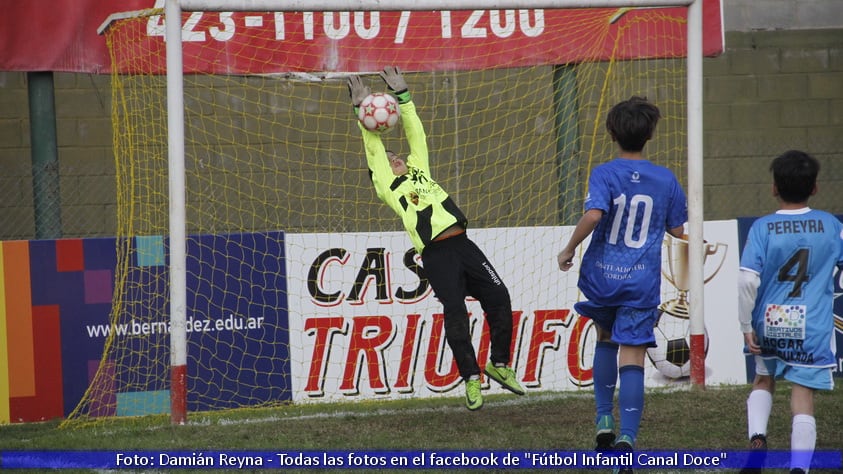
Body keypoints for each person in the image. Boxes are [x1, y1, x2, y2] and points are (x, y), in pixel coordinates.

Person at [347, 66, 525, 411]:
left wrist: (404, 96)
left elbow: (417, 136)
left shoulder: (419, 170)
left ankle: (499, 365)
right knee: (456, 312)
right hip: (437, 255)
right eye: (389, 158)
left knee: (499, 297)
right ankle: (472, 378)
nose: (394, 157)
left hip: (464, 244)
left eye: (395, 155)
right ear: (380, 173)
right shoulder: (388, 186)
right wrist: (360, 110)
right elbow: (373, 146)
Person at [557, 96, 687, 470]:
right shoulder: (666, 179)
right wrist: (698, 248)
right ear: (650, 134)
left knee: (604, 338)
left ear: (612, 132)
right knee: (632, 355)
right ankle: (627, 436)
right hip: (640, 282)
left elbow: (594, 214)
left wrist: (569, 248)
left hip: (601, 276)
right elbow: (677, 230)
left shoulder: (604, 172)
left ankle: (603, 418)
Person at [737, 150, 843, 474]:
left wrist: (746, 324)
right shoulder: (831, 225)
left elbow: (747, 279)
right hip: (811, 325)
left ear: (774, 188)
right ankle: (799, 469)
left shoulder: (762, 228)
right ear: (814, 188)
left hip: (770, 321)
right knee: (802, 395)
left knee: (762, 379)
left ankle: (757, 439)